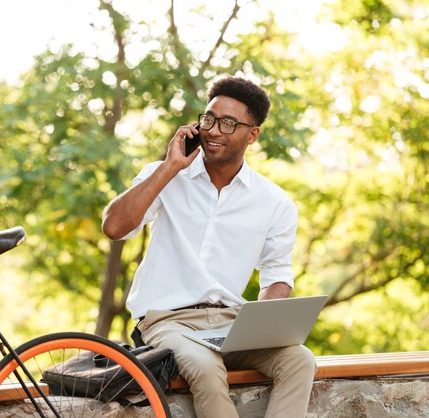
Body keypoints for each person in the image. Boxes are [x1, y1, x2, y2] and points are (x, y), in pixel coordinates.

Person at [102, 76, 316, 417]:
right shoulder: (165, 175)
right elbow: (114, 227)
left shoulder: (274, 202)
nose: (214, 130)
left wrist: (261, 324)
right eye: (209, 119)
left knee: (300, 359)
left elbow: (277, 276)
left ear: (252, 134)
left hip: (232, 322)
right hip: (167, 321)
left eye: (229, 123)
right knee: (204, 367)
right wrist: (171, 166)